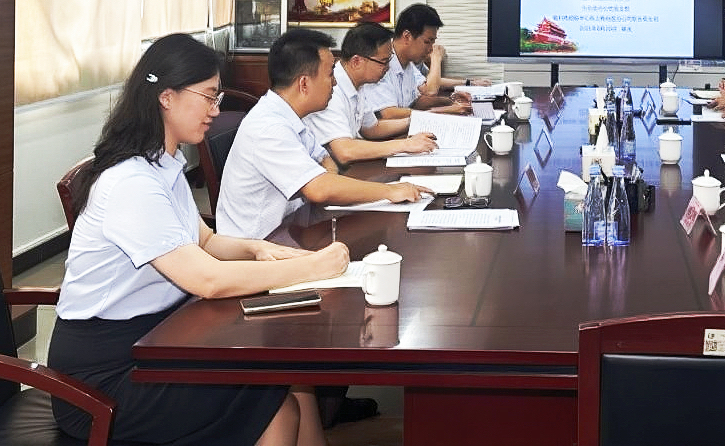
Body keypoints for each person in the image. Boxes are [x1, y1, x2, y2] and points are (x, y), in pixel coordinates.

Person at [49, 33, 348, 446]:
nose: (215, 110)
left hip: (162, 337)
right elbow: (207, 280)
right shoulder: (131, 182)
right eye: (208, 96)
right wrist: (312, 267)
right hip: (104, 377)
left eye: (217, 97)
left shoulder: (163, 162)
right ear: (166, 97)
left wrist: (256, 248)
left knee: (290, 376)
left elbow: (204, 241)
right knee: (275, 404)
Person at [216, 28, 432, 240]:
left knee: (375, 228)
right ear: (304, 83)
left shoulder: (290, 115)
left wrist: (326, 181)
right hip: (258, 244)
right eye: (330, 74)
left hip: (294, 223)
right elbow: (319, 189)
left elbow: (325, 159)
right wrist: (390, 191)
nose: (335, 82)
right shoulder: (269, 127)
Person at [305, 22, 440, 166]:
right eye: (383, 62)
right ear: (357, 61)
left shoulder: (358, 84)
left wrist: (415, 121)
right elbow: (345, 151)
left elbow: (371, 128)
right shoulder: (330, 90)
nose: (388, 68)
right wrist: (405, 145)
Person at [360, 3, 477, 125]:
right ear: (407, 36)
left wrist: (450, 101)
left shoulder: (408, 64)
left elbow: (416, 101)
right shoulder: (380, 63)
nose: (430, 49)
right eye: (427, 42)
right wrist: (444, 111)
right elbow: (389, 114)